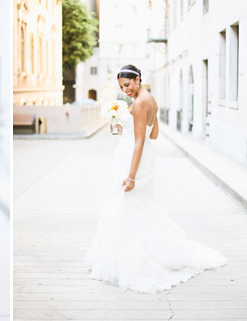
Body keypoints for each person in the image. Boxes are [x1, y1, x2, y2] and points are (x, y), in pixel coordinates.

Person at [84, 64, 227, 293]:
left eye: (128, 85)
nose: (125, 90)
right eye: (121, 87)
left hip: (134, 160)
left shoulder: (140, 103)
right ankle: (147, 251)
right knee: (140, 207)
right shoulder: (150, 99)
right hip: (144, 157)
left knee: (125, 206)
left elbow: (140, 141)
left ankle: (131, 260)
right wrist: (123, 127)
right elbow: (154, 133)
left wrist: (131, 177)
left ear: (138, 79)